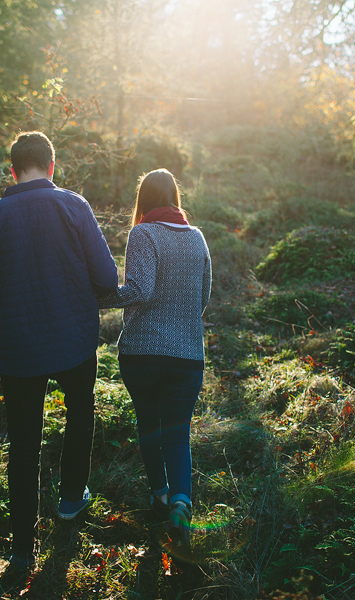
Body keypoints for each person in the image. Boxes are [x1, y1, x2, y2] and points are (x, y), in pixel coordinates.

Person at [0, 131, 118, 584]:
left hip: (18, 353)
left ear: (12, 170)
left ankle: (23, 551)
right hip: (73, 342)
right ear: (52, 166)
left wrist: (1, 334)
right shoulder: (74, 206)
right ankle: (71, 501)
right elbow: (107, 278)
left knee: (24, 445)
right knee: (80, 414)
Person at [98, 168, 211, 560]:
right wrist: (182, 324)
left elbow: (139, 291)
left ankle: (159, 498)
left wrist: (95, 297)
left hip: (143, 353)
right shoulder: (197, 238)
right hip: (187, 356)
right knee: (178, 434)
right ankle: (181, 503)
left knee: (149, 425)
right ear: (176, 198)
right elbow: (203, 297)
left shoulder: (143, 233)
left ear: (143, 200)